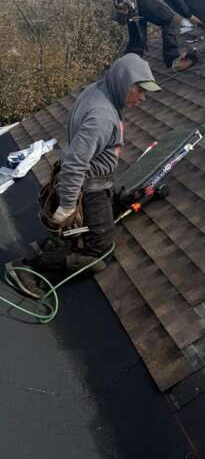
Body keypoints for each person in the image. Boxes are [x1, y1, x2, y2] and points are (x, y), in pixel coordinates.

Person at [5, 55, 161, 298]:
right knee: (100, 251)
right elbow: (76, 162)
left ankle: (50, 246)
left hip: (92, 185)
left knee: (86, 232)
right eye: (139, 90)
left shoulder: (101, 90)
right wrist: (67, 206)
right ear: (123, 82)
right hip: (88, 190)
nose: (142, 98)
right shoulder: (102, 116)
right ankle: (28, 271)